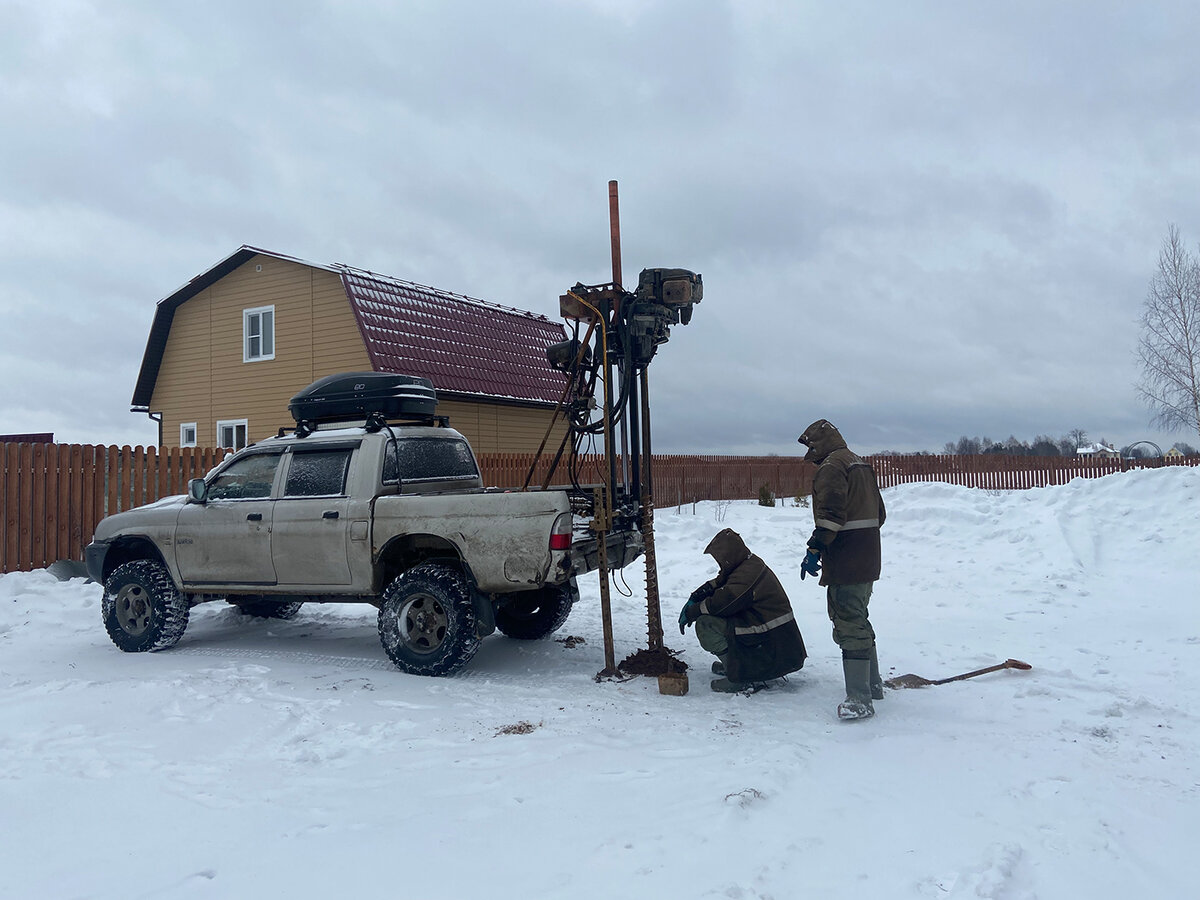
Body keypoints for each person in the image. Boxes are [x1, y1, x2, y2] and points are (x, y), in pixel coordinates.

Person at [797, 419, 887, 721]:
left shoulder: (832, 468)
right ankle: (873, 686)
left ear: (818, 445)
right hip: (868, 556)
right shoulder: (859, 463)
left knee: (848, 621)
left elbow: (830, 517)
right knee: (858, 617)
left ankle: (859, 699)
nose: (810, 456)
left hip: (848, 559)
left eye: (810, 447)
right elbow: (881, 514)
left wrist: (814, 549)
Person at [678, 528, 807, 692]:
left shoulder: (747, 574)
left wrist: (693, 611)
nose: (719, 563)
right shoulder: (748, 563)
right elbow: (721, 583)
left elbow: (721, 604)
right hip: (772, 636)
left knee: (706, 624)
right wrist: (697, 595)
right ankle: (737, 665)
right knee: (720, 622)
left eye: (720, 558)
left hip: (775, 645)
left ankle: (739, 676)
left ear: (729, 555)